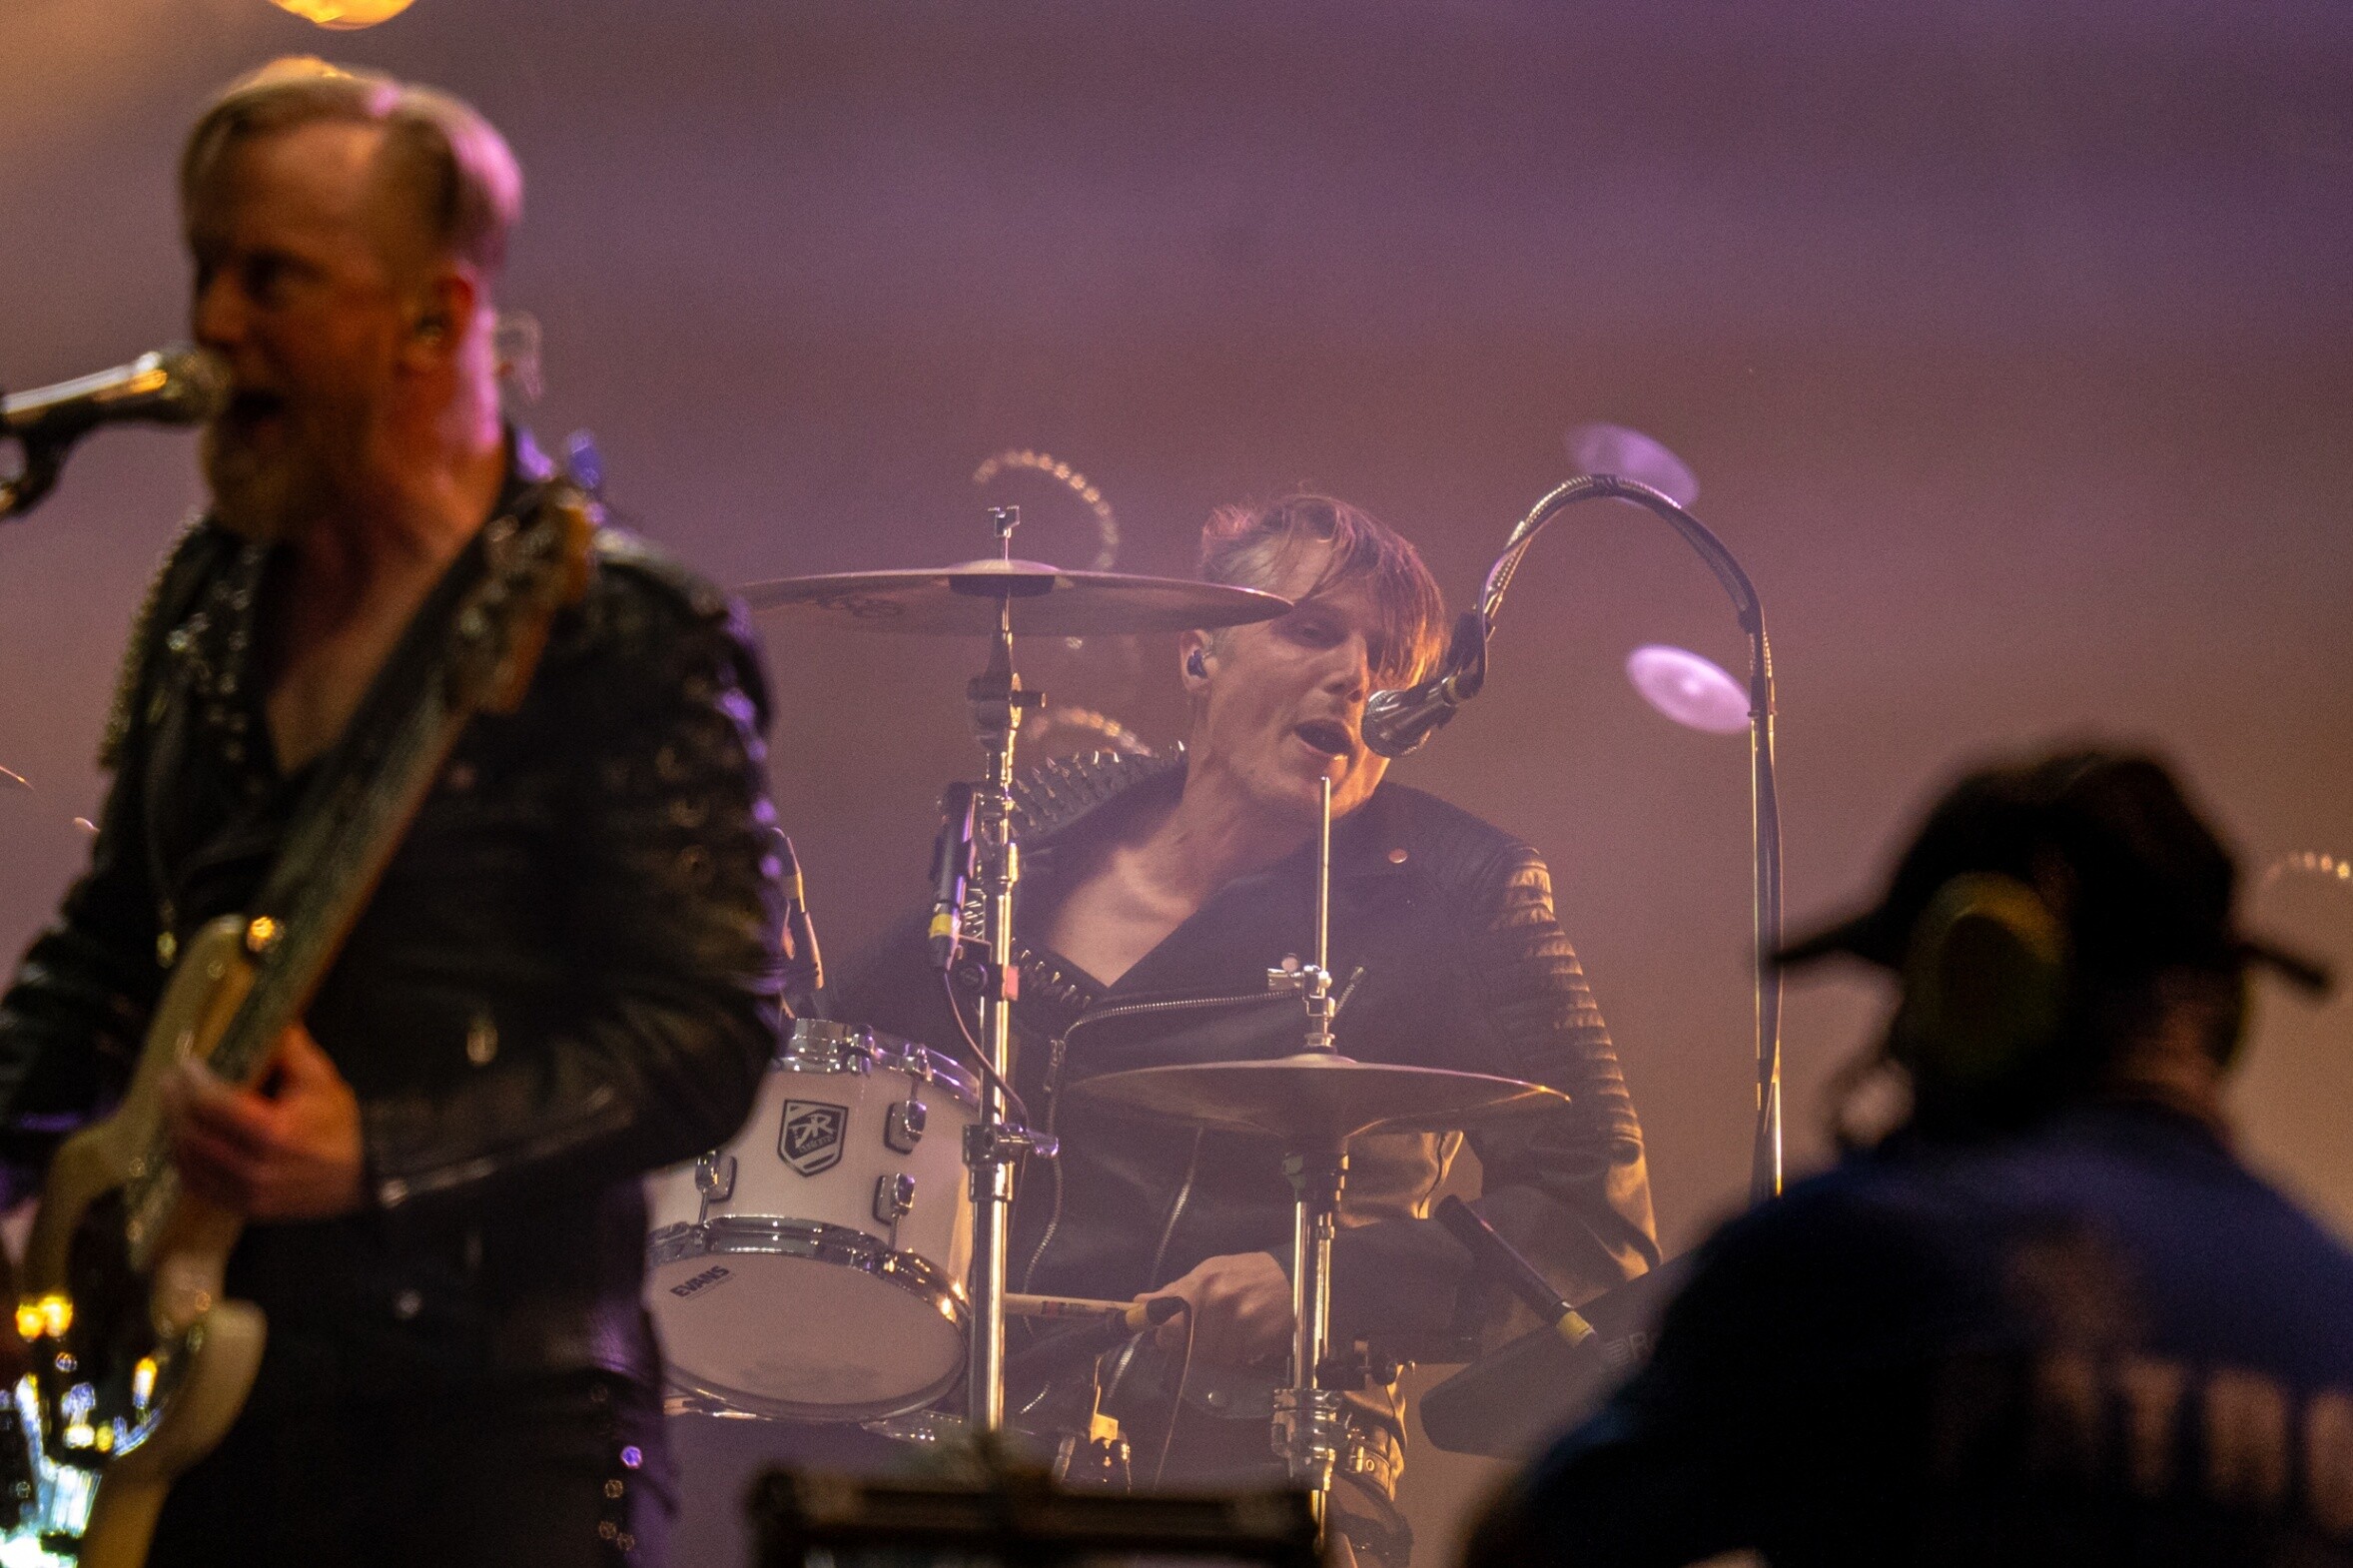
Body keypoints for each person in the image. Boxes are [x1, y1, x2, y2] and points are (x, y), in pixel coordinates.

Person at [0, 60, 787, 1567]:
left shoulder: (614, 628)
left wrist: (380, 1153)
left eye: (272, 279)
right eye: (205, 269)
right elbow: (110, 949)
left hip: (498, 1428)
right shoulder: (211, 601)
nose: (215, 323)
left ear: (435, 318)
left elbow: (707, 1029)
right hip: (202, 1424)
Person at [837, 493, 1659, 1567]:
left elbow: (1596, 1221)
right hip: (969, 1437)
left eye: (1389, 662)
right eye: (1312, 630)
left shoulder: (1464, 891)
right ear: (1198, 652)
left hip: (1258, 1467)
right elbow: (832, 1068)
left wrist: (1319, 1281)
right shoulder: (1035, 839)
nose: (1354, 676)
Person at [1465, 747, 2353, 1567]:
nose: (1897, 1041)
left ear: (1979, 979)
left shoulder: (1854, 1255)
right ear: (2228, 1014)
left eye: (1908, 990)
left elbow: (1524, 1551)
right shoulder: (2335, 1304)